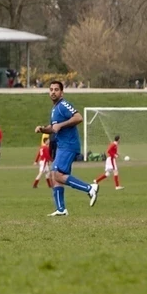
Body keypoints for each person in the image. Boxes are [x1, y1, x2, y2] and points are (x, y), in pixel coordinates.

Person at [34, 82, 97, 216]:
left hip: (69, 145)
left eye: (56, 90)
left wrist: (61, 125)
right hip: (62, 146)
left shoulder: (63, 105)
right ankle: (61, 209)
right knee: (55, 176)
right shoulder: (54, 109)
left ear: (61, 92)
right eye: (51, 90)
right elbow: (53, 128)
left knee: (57, 174)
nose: (53, 92)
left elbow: (78, 117)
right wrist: (43, 129)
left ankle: (90, 188)